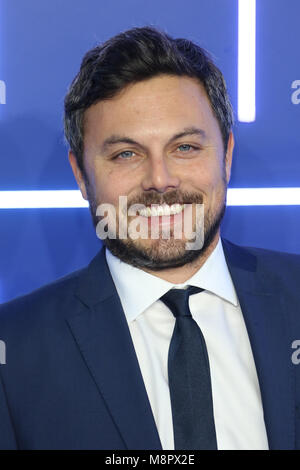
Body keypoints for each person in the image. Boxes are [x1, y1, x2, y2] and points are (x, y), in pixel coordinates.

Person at [0, 26, 299, 450]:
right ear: (80, 174)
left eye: (186, 148)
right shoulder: (13, 351)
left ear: (227, 156)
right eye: (126, 154)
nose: (160, 181)